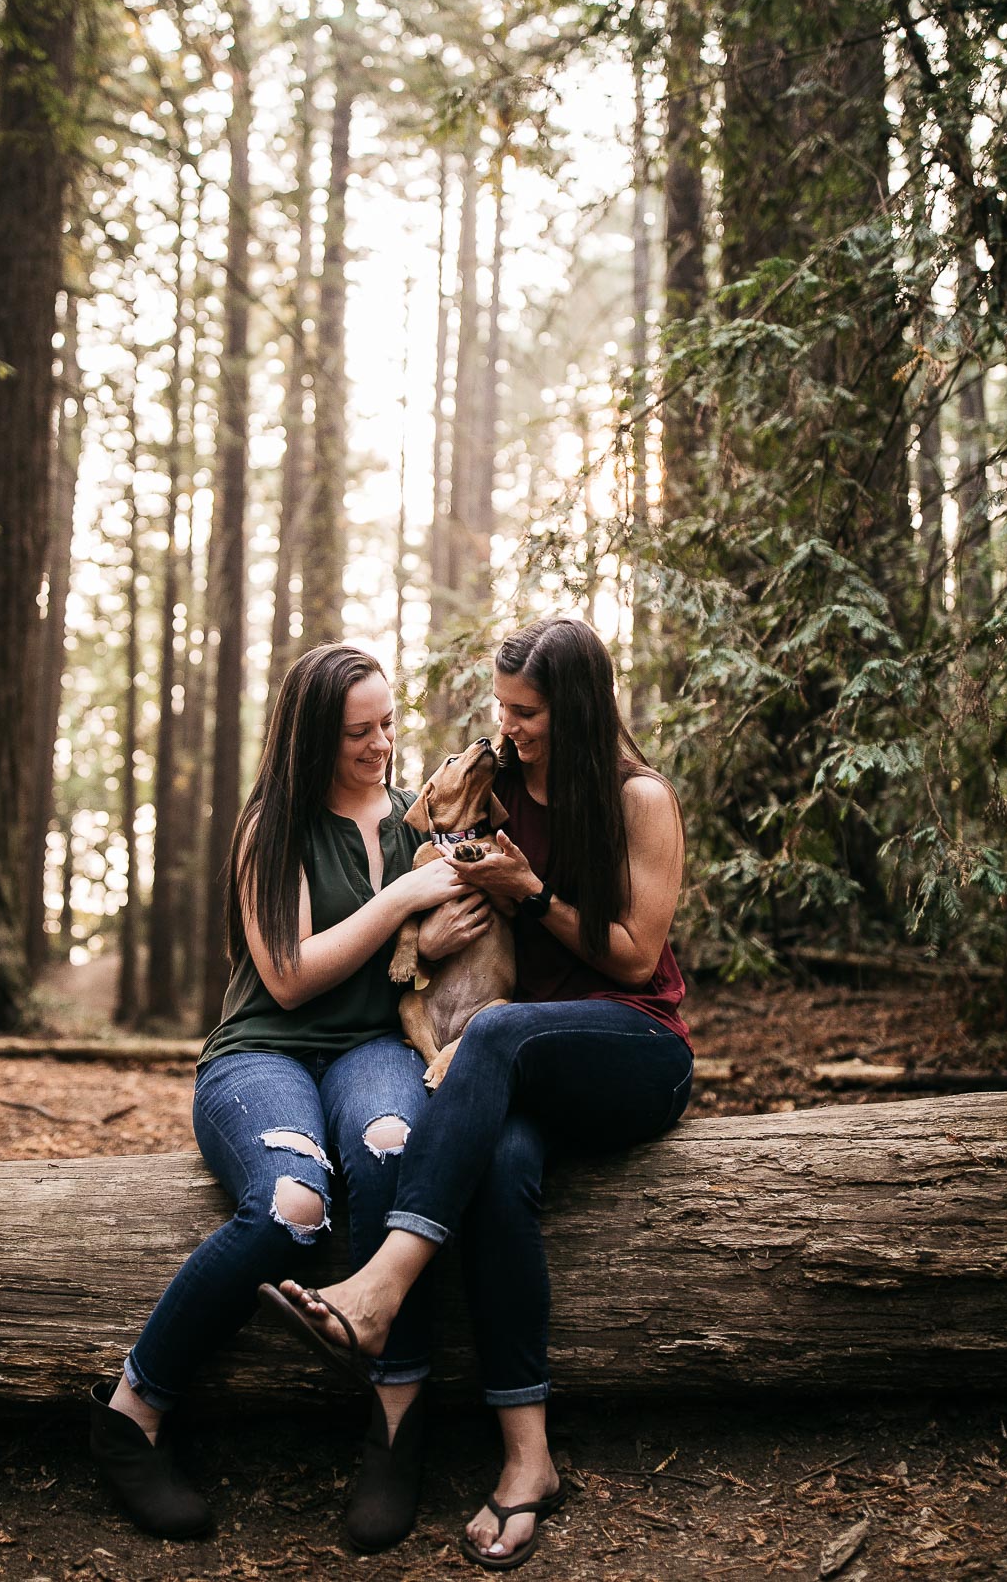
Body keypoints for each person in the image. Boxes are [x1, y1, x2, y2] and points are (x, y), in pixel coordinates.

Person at [266, 617, 694, 1570]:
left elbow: (634, 957)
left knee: (494, 1033)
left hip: (633, 1046)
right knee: (498, 1166)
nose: (508, 727)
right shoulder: (499, 788)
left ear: (575, 709)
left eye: (527, 712)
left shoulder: (639, 798)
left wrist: (532, 891)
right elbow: (428, 851)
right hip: (521, 1061)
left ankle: (381, 1287)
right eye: (502, 708)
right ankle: (528, 1460)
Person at [89, 643, 476, 1547]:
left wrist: (441, 931)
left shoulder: (414, 818)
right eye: (358, 733)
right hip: (263, 1050)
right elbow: (291, 975)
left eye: (388, 724)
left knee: (392, 1150)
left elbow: (433, 952)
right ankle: (131, 1413)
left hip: (376, 1047)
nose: (382, 745)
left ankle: (397, 1424)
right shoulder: (273, 824)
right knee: (291, 1204)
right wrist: (405, 901)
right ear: (310, 738)